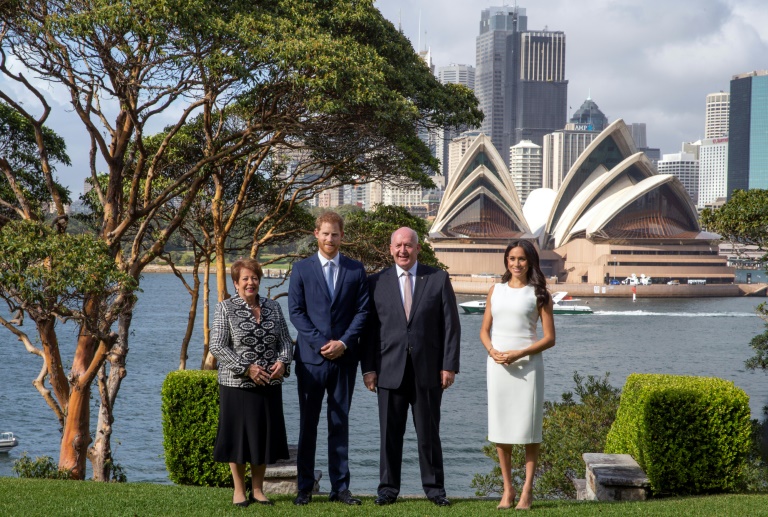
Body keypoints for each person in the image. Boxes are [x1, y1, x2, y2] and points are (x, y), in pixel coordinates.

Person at [361, 227, 460, 507]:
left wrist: (449, 366)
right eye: (398, 245)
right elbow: (368, 331)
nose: (403, 250)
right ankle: (388, 490)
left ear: (418, 249)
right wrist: (368, 369)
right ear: (390, 249)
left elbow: (451, 326)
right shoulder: (376, 282)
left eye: (408, 245)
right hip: (387, 371)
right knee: (389, 435)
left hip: (428, 371)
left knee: (429, 435)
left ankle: (435, 490)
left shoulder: (438, 278)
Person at [288, 211, 369, 506]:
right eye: (325, 233)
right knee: (308, 425)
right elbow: (296, 312)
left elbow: (363, 312)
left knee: (339, 424)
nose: (330, 239)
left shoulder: (356, 270)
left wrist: (344, 343)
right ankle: (304, 488)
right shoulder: (301, 269)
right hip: (310, 361)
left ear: (342, 236)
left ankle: (340, 488)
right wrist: (324, 344)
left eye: (335, 234)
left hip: (344, 361)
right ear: (316, 234)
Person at [209, 258, 293, 508]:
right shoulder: (225, 308)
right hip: (236, 385)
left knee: (262, 437)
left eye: (254, 278)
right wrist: (246, 368)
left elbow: (286, 341)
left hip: (269, 384)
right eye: (244, 279)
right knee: (238, 438)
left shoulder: (273, 307)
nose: (250, 282)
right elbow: (217, 345)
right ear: (236, 283)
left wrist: (283, 363)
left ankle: (258, 490)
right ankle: (239, 491)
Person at [479, 240, 556, 510]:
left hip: (528, 368)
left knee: (529, 430)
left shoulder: (540, 294)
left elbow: (549, 339)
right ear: (506, 260)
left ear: (530, 261)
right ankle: (507, 489)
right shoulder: (495, 290)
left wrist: (518, 354)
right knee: (501, 429)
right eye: (511, 258)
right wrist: (493, 352)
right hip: (498, 367)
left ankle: (527, 491)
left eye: (521, 259)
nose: (516, 263)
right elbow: (484, 331)